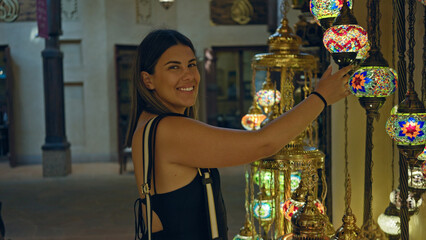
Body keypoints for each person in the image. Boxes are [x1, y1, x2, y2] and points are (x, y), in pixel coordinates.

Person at [126, 29, 352, 240]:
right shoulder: (168, 130)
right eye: (174, 67)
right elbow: (263, 144)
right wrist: (321, 98)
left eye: (191, 65)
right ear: (148, 80)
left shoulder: (147, 125)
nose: (189, 76)